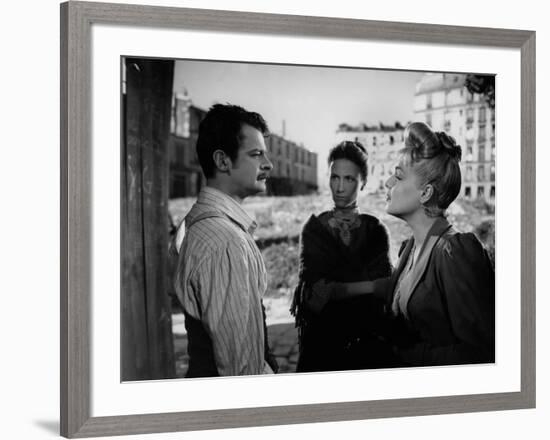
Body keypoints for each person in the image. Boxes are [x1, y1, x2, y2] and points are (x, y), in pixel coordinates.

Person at [315, 122, 495, 367]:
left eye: (398, 176)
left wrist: (400, 356)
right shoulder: (410, 247)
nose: (388, 182)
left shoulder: (455, 252)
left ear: (425, 193)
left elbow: (480, 354)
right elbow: (397, 292)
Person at [173, 103, 278, 377]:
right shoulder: (225, 241)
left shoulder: (196, 222)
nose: (269, 164)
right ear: (222, 161)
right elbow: (241, 371)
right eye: (256, 154)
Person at [290, 140, 396, 372]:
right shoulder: (315, 228)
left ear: (363, 182)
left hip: (365, 347)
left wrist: (346, 287)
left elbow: (384, 298)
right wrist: (369, 286)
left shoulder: (375, 229)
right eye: (334, 177)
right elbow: (314, 294)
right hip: (321, 347)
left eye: (349, 179)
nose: (339, 187)